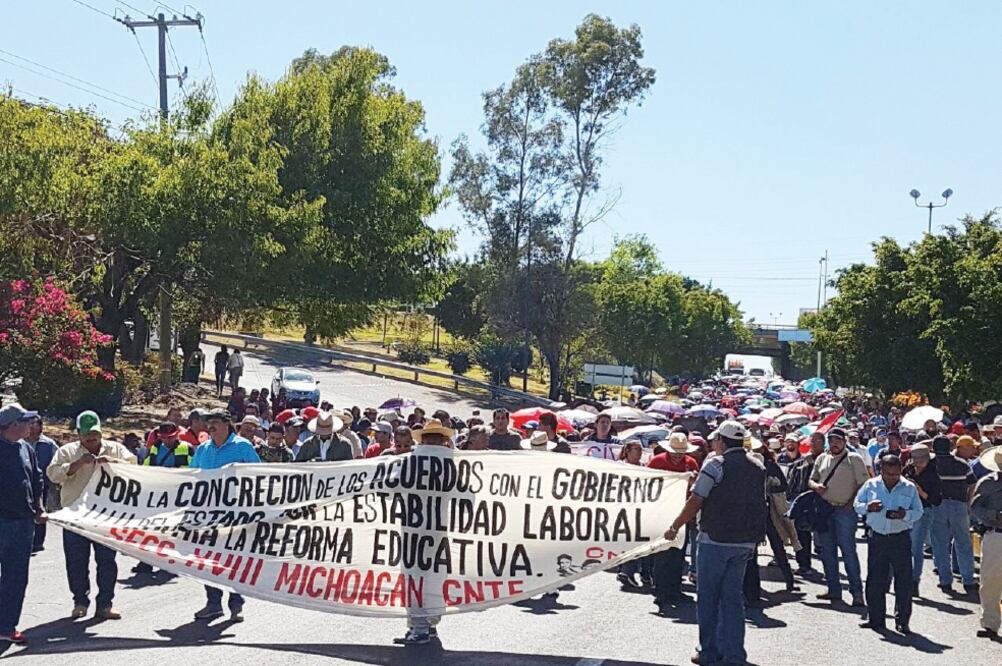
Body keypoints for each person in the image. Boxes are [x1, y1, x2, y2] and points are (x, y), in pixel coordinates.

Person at [663, 420, 766, 666]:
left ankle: (708, 651)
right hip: (744, 542)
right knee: (732, 599)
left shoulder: (715, 465)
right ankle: (734, 654)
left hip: (715, 540)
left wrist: (675, 525)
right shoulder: (757, 466)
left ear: (721, 441)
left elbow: (696, 499)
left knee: (708, 598)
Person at [46, 411, 136, 620]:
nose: (91, 439)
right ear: (78, 434)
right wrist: (77, 464)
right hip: (75, 517)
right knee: (76, 562)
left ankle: (105, 604)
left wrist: (112, 462)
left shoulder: (115, 449)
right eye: (87, 435)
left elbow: (135, 468)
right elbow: (53, 474)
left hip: (106, 516)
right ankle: (80, 601)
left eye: (95, 434)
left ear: (101, 432)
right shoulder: (67, 451)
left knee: (107, 561)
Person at [190, 409, 260, 621]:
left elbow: (259, 475)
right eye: (209, 422)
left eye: (215, 422)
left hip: (236, 515)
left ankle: (236, 604)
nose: (210, 426)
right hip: (208, 516)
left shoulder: (243, 447)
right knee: (208, 561)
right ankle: (213, 604)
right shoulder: (203, 449)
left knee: (233, 560)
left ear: (227, 424)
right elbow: (191, 477)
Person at [394, 418, 454, 646]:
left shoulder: (411, 462)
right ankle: (424, 625)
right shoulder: (450, 464)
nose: (433, 443)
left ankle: (421, 627)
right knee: (426, 578)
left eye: (436, 439)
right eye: (430, 439)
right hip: (426, 530)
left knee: (420, 577)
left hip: (423, 530)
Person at [854, 454, 923, 634]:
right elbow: (857, 504)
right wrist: (868, 507)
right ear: (881, 471)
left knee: (903, 581)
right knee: (875, 580)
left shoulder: (909, 487)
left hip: (900, 538)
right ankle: (875, 619)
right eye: (888, 474)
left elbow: (918, 511)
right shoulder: (871, 485)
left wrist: (904, 515)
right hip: (878, 538)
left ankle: (902, 621)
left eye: (895, 474)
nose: (892, 477)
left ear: (900, 470)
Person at [0, 403, 46, 644]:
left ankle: (6, 627)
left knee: (16, 576)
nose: (32, 425)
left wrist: (39, 507)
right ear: (13, 425)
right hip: (2, 522)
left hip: (23, 523)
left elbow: (37, 479)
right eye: (27, 421)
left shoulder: (26, 448)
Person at [809, 427, 868, 606]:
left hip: (845, 510)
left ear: (844, 442)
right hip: (825, 509)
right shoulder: (822, 458)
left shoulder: (853, 459)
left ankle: (857, 592)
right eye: (831, 440)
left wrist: (852, 502)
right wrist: (816, 487)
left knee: (848, 551)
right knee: (827, 552)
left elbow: (864, 484)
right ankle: (833, 589)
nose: (834, 443)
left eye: (838, 440)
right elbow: (811, 479)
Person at [648, 433, 699, 610]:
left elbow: (696, 490)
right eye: (675, 452)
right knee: (663, 554)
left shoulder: (691, 463)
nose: (678, 456)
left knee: (678, 553)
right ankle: (660, 591)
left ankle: (674, 589)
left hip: (682, 513)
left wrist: (692, 481)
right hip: (662, 513)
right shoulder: (657, 462)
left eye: (681, 452)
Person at [929, 435, 978, 593]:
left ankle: (945, 580)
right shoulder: (962, 464)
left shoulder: (931, 465)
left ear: (933, 448)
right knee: (963, 543)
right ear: (950, 447)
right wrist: (969, 503)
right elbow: (972, 484)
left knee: (940, 544)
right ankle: (968, 579)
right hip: (959, 505)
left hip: (938, 506)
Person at [971, 446, 1002, 638]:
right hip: (996, 534)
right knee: (990, 580)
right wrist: (994, 516)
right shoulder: (987, 483)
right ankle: (990, 622)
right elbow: (976, 507)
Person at [902, 443, 941, 596]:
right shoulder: (908, 470)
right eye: (916, 459)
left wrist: (919, 490)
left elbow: (935, 500)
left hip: (924, 511)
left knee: (916, 548)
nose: (919, 462)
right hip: (905, 511)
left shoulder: (933, 474)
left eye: (922, 459)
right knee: (900, 545)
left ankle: (914, 581)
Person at [786, 432, 824, 574]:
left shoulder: (827, 459)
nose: (812, 444)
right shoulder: (803, 460)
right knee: (802, 533)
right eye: (811, 441)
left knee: (823, 535)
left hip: (822, 502)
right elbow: (793, 479)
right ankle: (804, 564)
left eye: (816, 441)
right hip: (804, 502)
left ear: (822, 442)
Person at [24, 414, 57, 553]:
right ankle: (26, 540)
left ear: (40, 426)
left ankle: (38, 542)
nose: (31, 426)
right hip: (24, 483)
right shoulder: (20, 442)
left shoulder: (49, 444)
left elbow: (56, 462)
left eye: (34, 423)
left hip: (42, 483)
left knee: (40, 508)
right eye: (29, 423)